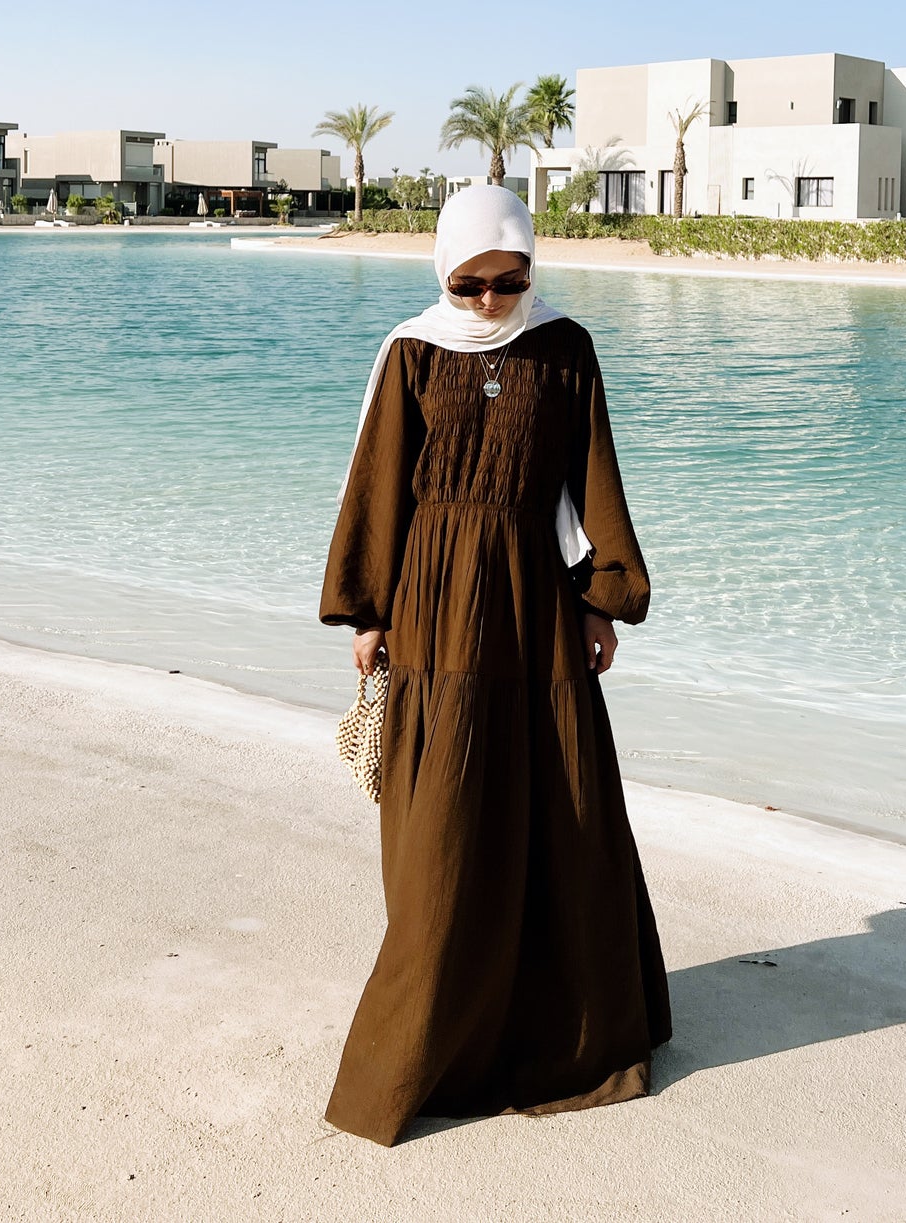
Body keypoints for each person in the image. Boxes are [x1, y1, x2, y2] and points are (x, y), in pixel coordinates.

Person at [319, 183, 671, 1147]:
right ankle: (425, 1048)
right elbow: (377, 480)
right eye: (469, 282)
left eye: (506, 280)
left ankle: (574, 1028)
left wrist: (605, 595)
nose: (487, 301)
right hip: (431, 606)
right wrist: (365, 607)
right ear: (444, 271)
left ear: (529, 266)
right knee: (442, 830)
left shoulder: (566, 348)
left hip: (533, 600)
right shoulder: (410, 349)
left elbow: (595, 474)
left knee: (563, 812)